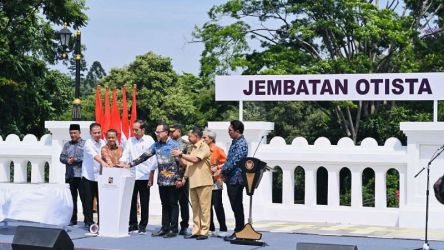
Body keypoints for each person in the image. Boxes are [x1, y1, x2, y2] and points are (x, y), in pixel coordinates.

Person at [123, 123, 182, 238]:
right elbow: (144, 156)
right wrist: (130, 164)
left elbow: (180, 163)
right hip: (162, 180)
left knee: (173, 204)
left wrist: (180, 178)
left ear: (166, 133)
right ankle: (164, 228)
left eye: (158, 132)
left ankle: (173, 229)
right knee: (164, 204)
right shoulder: (156, 145)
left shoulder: (174, 145)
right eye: (156, 132)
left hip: (174, 179)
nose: (157, 134)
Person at [172, 126, 212, 240]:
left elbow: (195, 160)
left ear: (196, 136)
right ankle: (196, 231)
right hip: (194, 181)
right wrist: (179, 158)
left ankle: (204, 232)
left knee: (204, 208)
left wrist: (181, 154)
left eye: (190, 136)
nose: (188, 138)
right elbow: (187, 164)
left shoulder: (204, 146)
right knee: (195, 208)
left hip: (204, 182)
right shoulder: (192, 148)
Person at [119, 120, 156, 235]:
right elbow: (125, 155)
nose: (134, 132)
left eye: (137, 130)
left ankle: (143, 225)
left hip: (145, 175)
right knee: (131, 200)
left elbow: (153, 159)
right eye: (133, 129)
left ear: (143, 130)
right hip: (131, 175)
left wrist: (151, 176)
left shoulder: (149, 139)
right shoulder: (130, 140)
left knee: (144, 201)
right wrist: (121, 163)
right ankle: (133, 223)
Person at [222, 120, 248, 241]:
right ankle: (239, 230)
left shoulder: (241, 143)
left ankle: (239, 231)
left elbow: (235, 160)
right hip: (231, 178)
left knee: (237, 206)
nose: (229, 132)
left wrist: (223, 171)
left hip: (236, 179)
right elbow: (229, 159)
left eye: (230, 130)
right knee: (235, 206)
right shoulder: (235, 142)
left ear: (237, 131)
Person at [202, 129, 228, 237]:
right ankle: (210, 228)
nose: (203, 139)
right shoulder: (202, 150)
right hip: (204, 180)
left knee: (217, 205)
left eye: (205, 138)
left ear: (211, 139)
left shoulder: (218, 150)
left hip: (216, 180)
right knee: (207, 206)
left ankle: (223, 228)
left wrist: (217, 167)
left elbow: (226, 162)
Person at [59, 123, 86, 226]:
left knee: (85, 199)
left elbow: (86, 158)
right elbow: (61, 157)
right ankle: (72, 219)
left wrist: (76, 159)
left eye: (74, 133)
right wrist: (67, 160)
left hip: (82, 176)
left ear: (79, 133)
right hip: (70, 176)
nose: (73, 135)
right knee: (71, 199)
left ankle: (87, 220)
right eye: (71, 133)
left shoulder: (85, 144)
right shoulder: (67, 145)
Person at [81, 122, 106, 230]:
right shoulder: (88, 143)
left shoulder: (103, 142)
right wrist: (103, 163)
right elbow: (95, 156)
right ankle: (89, 222)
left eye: (99, 132)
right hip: (89, 176)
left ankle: (102, 222)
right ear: (91, 133)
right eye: (95, 133)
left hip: (100, 176)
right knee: (88, 200)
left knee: (101, 200)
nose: (97, 134)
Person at [169, 124, 190, 235]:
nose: (171, 133)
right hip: (170, 177)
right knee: (172, 202)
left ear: (179, 131)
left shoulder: (186, 144)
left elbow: (188, 163)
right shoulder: (168, 143)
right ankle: (173, 226)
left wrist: (183, 178)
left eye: (173, 131)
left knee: (183, 203)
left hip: (183, 177)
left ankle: (184, 226)